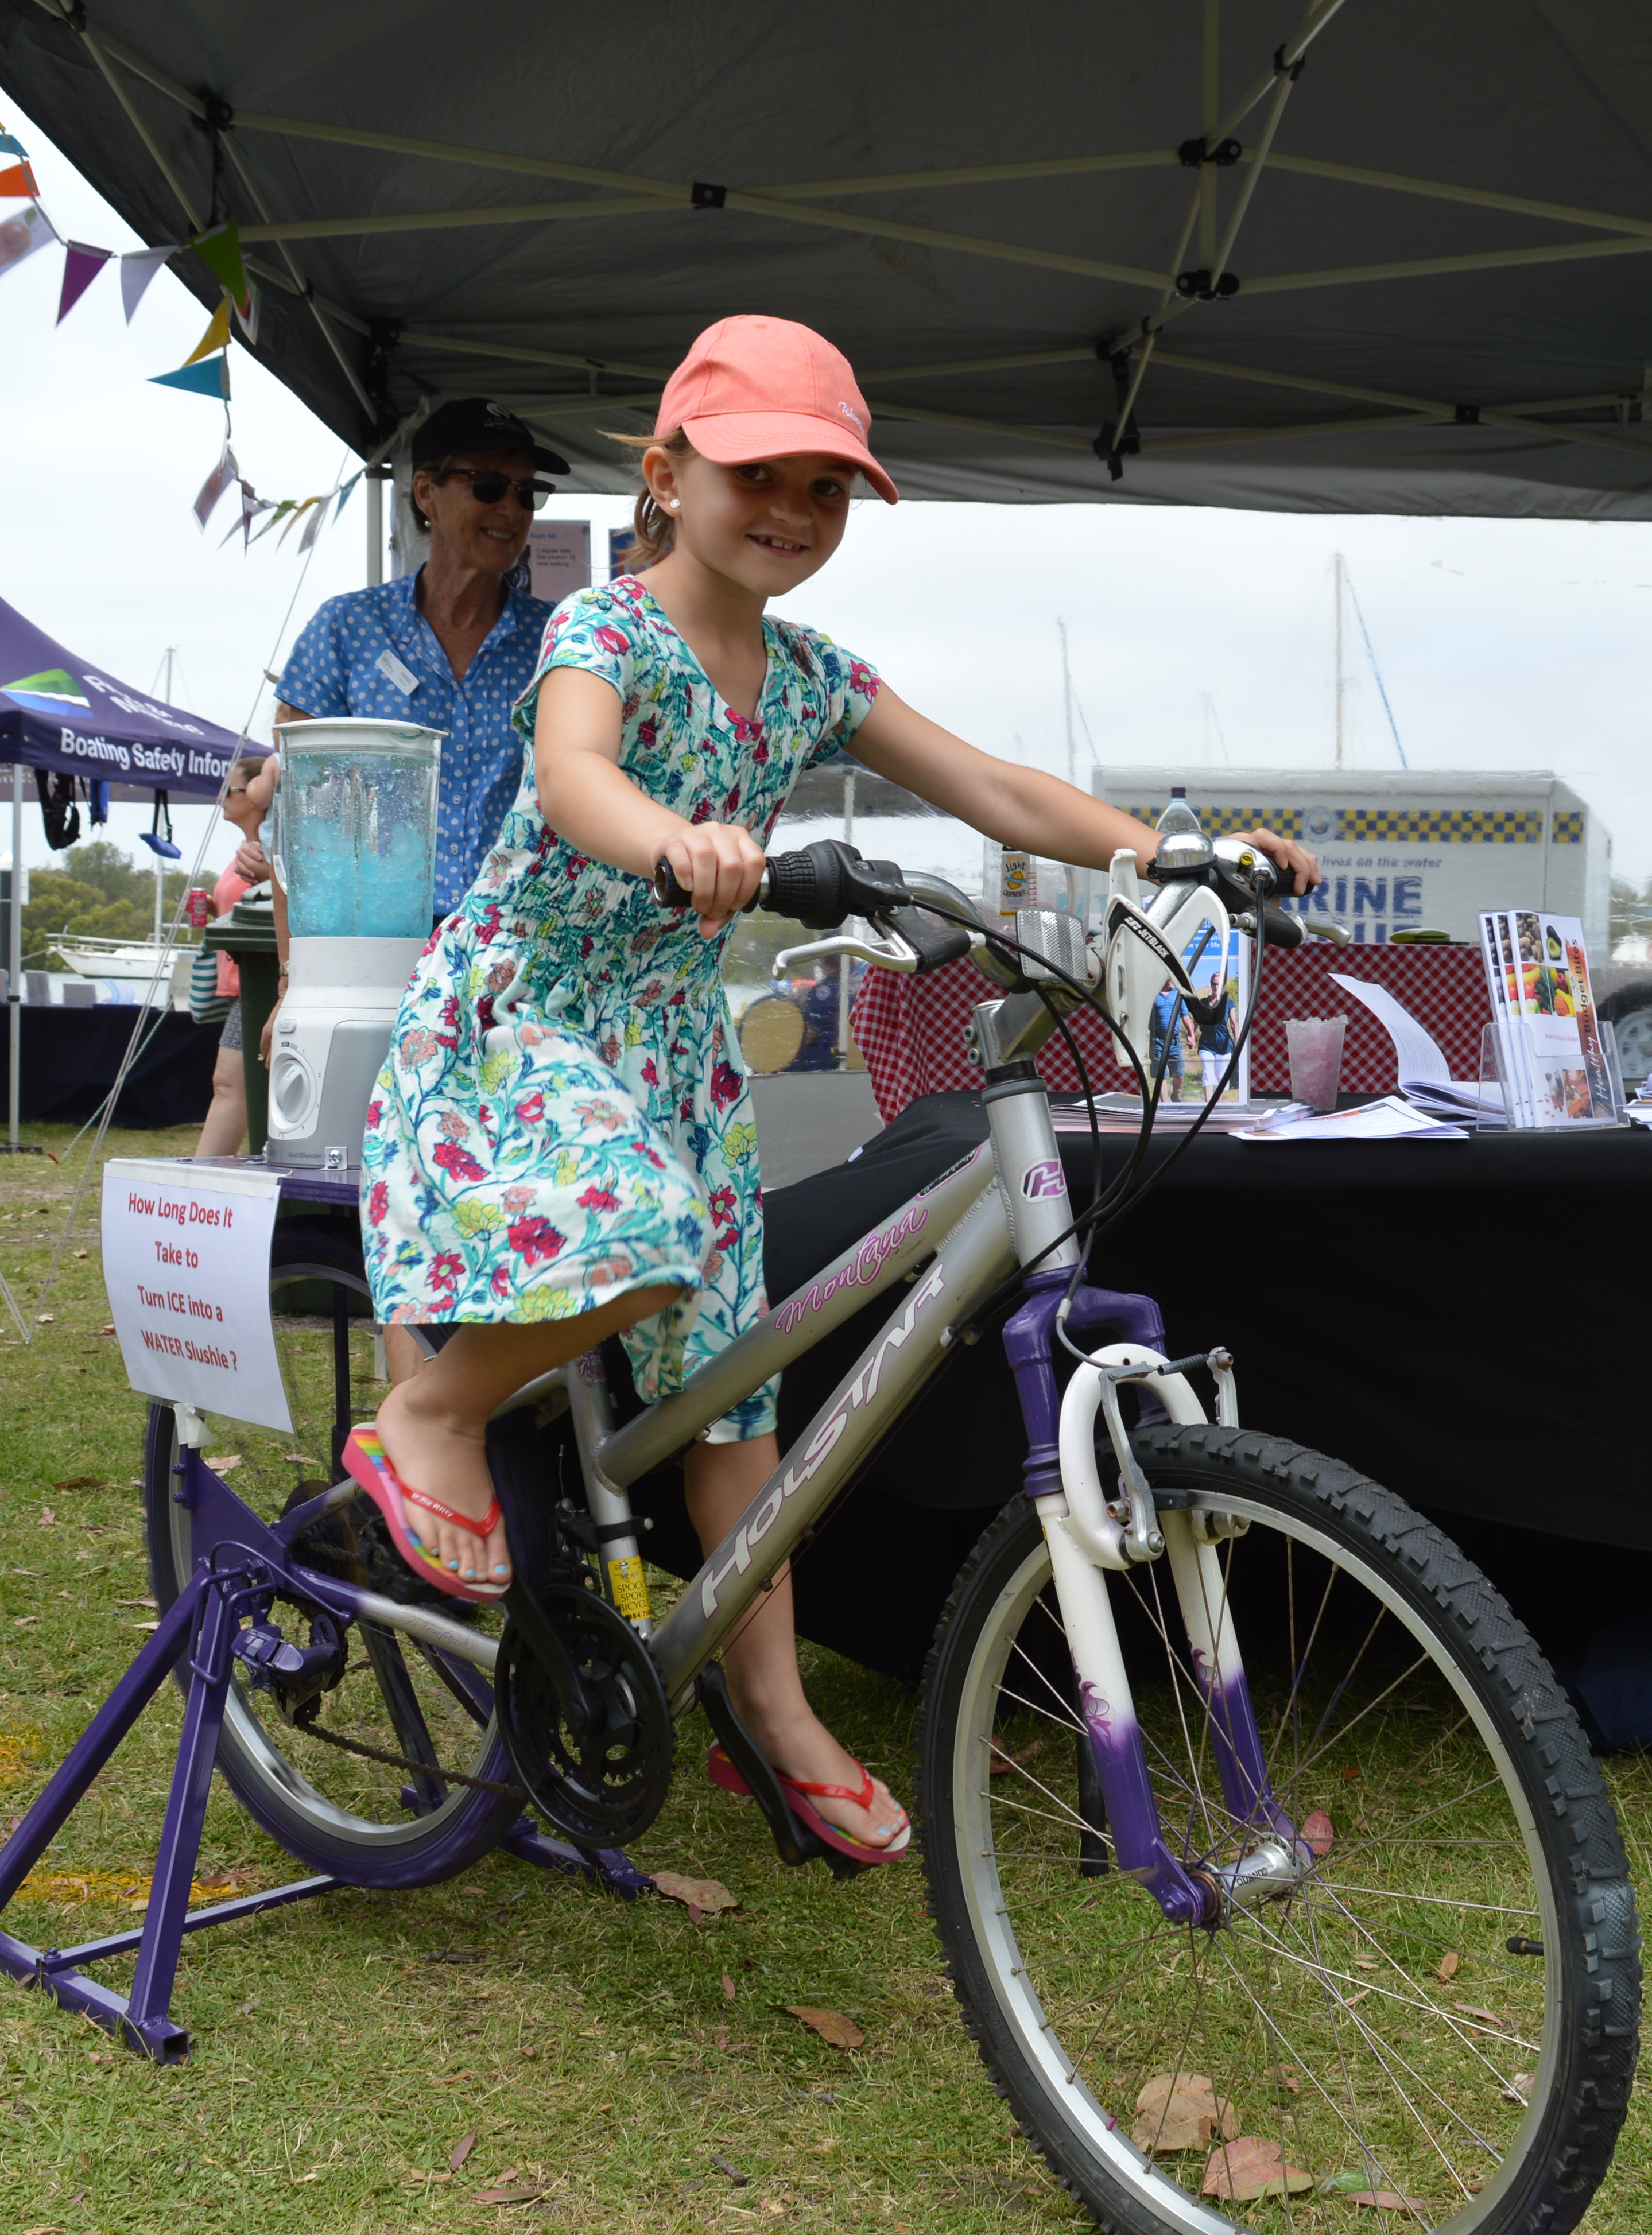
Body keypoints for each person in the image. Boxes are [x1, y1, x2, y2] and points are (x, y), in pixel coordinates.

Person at [344, 315, 1317, 1864]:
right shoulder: (602, 633)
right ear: (666, 476)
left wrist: (1167, 850)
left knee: (735, 1389)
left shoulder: (807, 675)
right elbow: (573, 776)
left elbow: (992, 785)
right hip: (532, 1010)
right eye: (758, 476)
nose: (793, 510)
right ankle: (432, 1409)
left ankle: (780, 1710)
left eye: (828, 487)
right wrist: (674, 839)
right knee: (645, 1229)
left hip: (671, 1037)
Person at [276, 398, 567, 911]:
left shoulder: (560, 640)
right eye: (490, 486)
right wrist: (290, 976)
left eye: (528, 492)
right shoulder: (345, 630)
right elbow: (302, 823)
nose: (512, 509)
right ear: (426, 493)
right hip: (376, 939)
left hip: (519, 946)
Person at [191, 752, 284, 1162]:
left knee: (233, 1086)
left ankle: (203, 1182)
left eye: (229, 790)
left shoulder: (276, 847)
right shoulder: (247, 850)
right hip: (244, 981)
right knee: (232, 1086)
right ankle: (207, 1178)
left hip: (265, 981)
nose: (221, 799)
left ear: (257, 794)